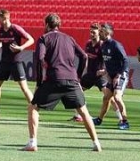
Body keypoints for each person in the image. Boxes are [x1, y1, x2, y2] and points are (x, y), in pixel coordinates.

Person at [23, 13, 100, 152]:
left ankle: (32, 143)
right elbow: (83, 56)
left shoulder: (43, 38)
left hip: (54, 79)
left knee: (33, 107)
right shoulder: (69, 38)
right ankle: (96, 144)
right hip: (72, 80)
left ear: (46, 25)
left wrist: (39, 82)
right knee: (83, 111)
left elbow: (40, 59)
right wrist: (78, 77)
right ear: (59, 25)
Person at [0, 9, 34, 116]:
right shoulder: (0, 30)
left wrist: (21, 47)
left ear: (5, 18)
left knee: (24, 88)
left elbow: (31, 39)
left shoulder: (15, 28)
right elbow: (1, 41)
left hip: (16, 62)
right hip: (4, 62)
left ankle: (35, 109)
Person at [71, 23, 119, 123]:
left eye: (94, 32)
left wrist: (104, 71)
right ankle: (78, 115)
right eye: (90, 32)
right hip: (90, 75)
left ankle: (121, 119)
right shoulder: (88, 44)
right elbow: (86, 59)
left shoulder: (102, 45)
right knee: (75, 92)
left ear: (99, 33)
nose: (91, 34)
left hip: (100, 76)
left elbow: (108, 59)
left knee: (110, 98)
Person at [93, 23, 130, 130]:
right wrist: (106, 73)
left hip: (120, 75)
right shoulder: (103, 45)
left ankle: (125, 121)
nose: (100, 33)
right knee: (106, 98)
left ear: (107, 32)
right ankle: (99, 119)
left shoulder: (115, 45)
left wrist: (118, 75)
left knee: (117, 97)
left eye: (102, 31)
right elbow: (108, 61)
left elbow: (125, 61)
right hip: (111, 75)